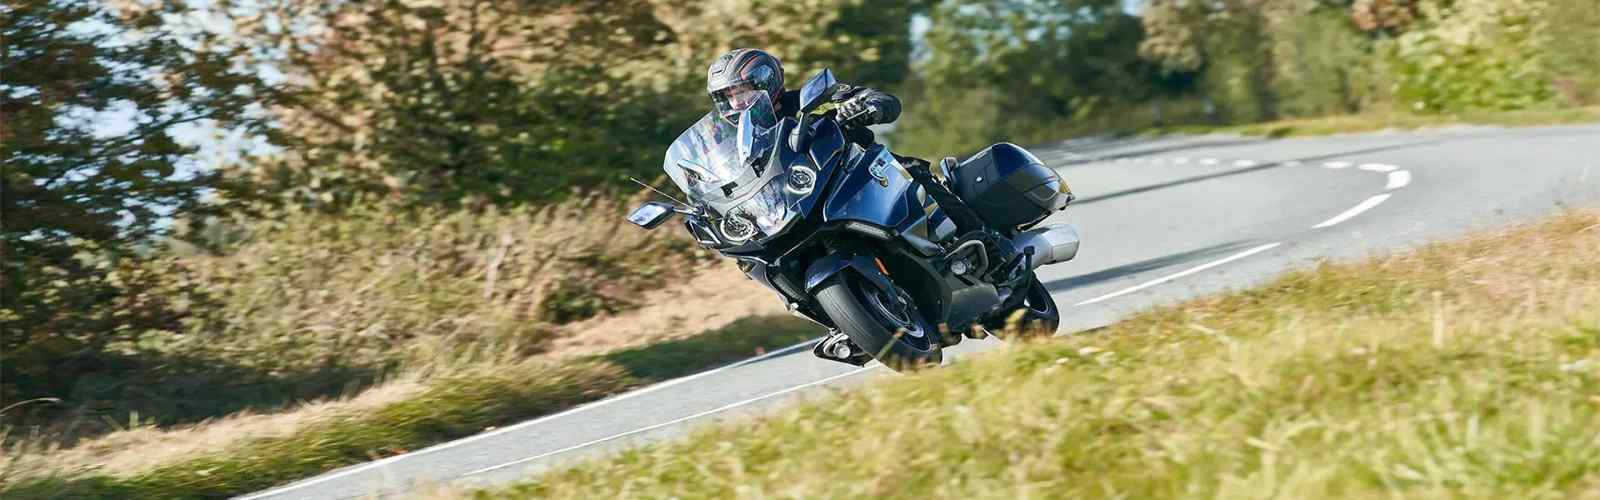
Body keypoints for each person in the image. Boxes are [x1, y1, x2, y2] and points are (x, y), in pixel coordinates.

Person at [705, 48, 1019, 278]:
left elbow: (874, 98)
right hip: (798, 202)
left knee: (912, 172)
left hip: (859, 173)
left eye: (742, 91)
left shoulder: (808, 98)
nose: (736, 102)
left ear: (765, 82)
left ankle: (992, 247)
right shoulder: (733, 142)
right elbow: (718, 172)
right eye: (727, 96)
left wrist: (867, 105)